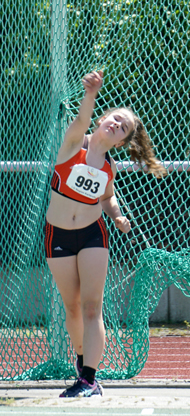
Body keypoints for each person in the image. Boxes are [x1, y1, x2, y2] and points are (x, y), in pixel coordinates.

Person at [45, 70, 166, 398]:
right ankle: (83, 363)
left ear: (122, 142)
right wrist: (91, 92)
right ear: (102, 120)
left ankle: (89, 379)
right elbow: (82, 119)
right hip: (57, 235)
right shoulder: (74, 142)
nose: (117, 124)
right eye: (115, 118)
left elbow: (107, 196)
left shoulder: (107, 167)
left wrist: (116, 215)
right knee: (71, 308)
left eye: (124, 128)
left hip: (92, 234)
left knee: (91, 307)